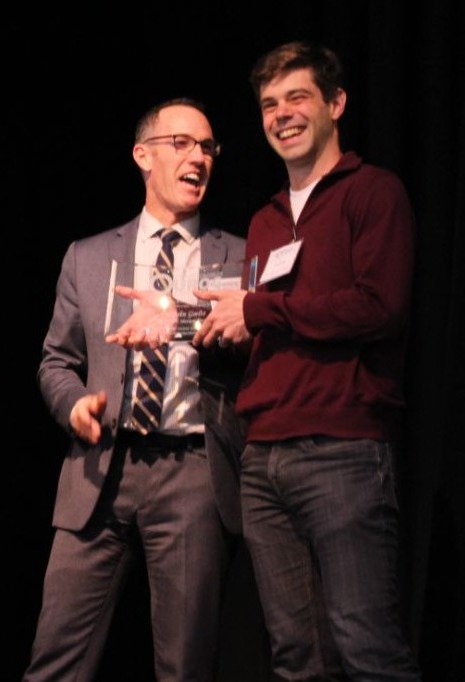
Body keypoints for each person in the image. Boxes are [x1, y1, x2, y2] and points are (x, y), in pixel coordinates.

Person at [193, 41, 421, 680]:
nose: (282, 114)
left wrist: (258, 312)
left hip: (342, 451)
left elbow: (377, 308)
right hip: (263, 458)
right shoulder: (265, 220)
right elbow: (267, 322)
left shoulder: (373, 193)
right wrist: (199, 325)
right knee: (296, 657)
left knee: (367, 649)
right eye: (269, 104)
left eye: (297, 97)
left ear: (335, 104)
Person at [24, 98, 248, 682]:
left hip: (193, 473)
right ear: (142, 155)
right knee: (55, 662)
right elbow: (56, 361)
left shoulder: (241, 256)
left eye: (207, 147)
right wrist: (73, 404)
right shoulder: (89, 256)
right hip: (99, 471)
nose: (198, 157)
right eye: (182, 143)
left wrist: (189, 319)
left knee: (185, 666)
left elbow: (257, 349)